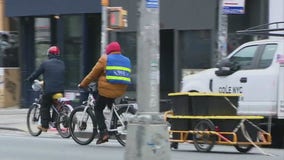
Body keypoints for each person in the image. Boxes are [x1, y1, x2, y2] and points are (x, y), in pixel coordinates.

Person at [78, 41, 131, 144]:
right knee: (110, 103)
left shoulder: (105, 59)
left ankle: (103, 133)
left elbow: (92, 75)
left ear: (109, 51)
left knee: (98, 108)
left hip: (107, 90)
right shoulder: (126, 60)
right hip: (121, 89)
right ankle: (114, 122)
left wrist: (83, 84)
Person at [26, 46, 65, 132]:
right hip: (61, 90)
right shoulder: (62, 63)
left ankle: (44, 126)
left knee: (44, 105)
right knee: (57, 105)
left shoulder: (45, 64)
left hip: (49, 90)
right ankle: (55, 122)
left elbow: (36, 73)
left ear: (49, 54)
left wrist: (29, 79)